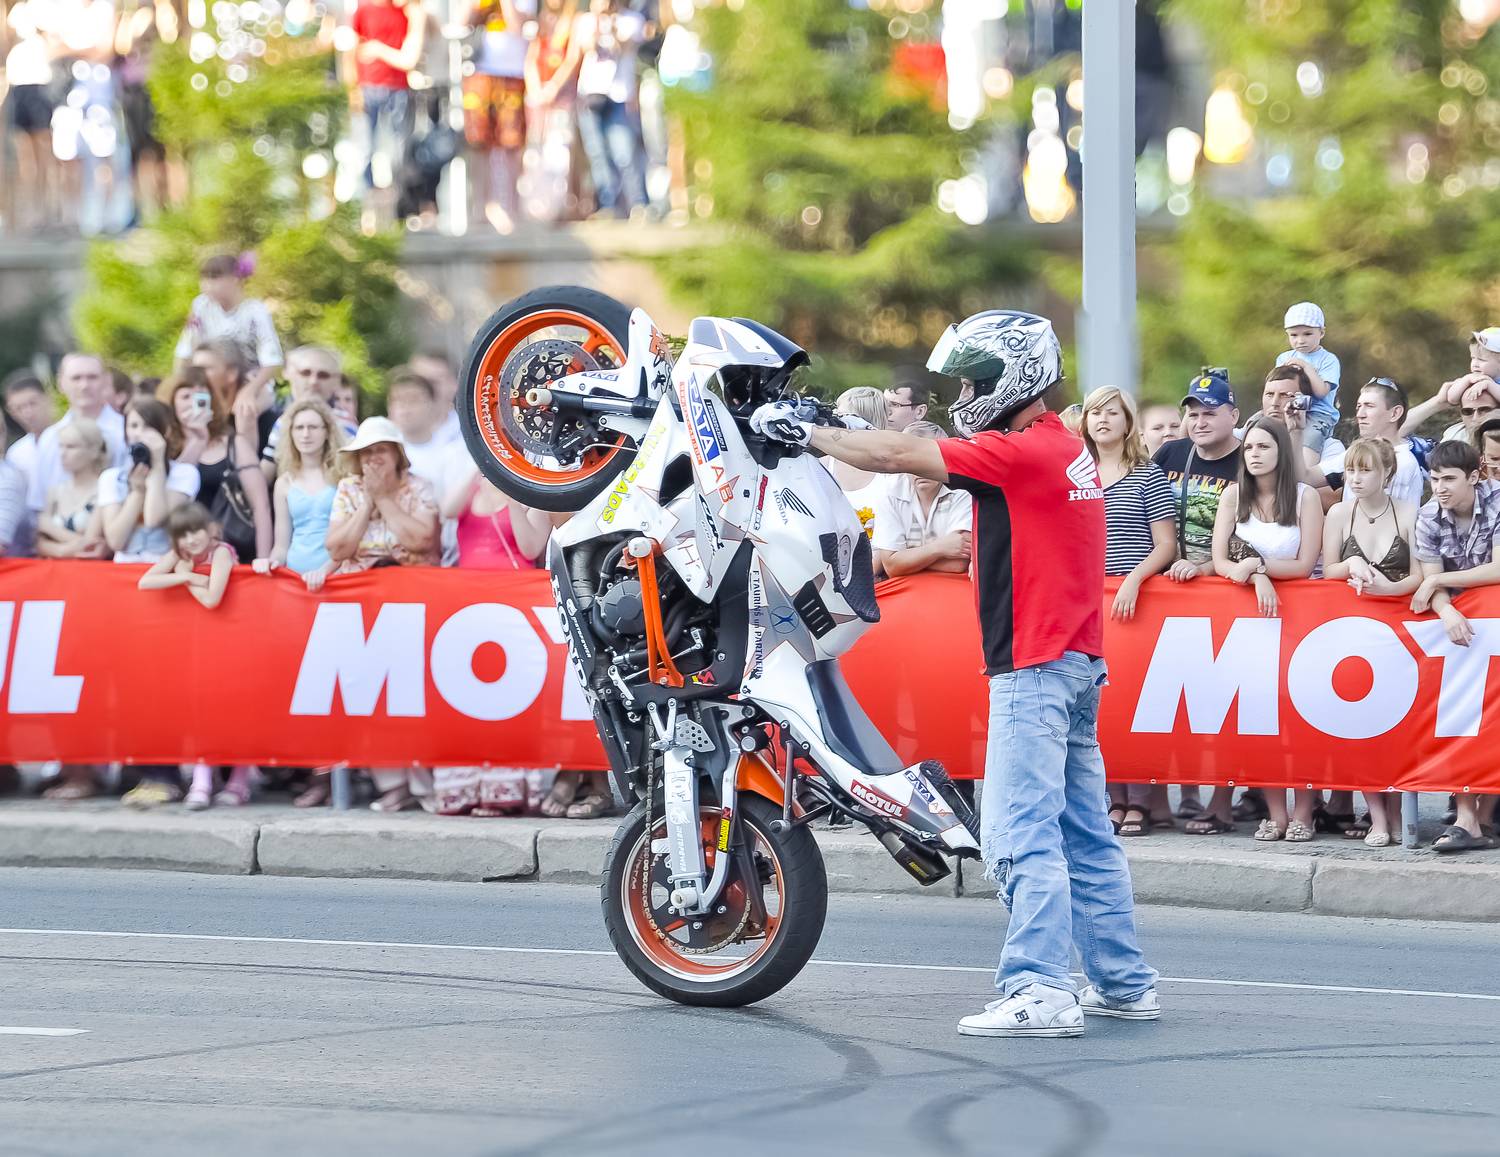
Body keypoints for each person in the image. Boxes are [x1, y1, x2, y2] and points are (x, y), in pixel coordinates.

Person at [753, 309, 1160, 1038]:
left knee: (1016, 832)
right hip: (1073, 663)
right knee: (1085, 835)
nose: (964, 396)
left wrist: (806, 432)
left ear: (1014, 378)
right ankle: (1122, 982)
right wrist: (833, 425)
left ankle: (1040, 986)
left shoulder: (1020, 452)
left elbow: (896, 455)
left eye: (974, 382)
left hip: (1035, 668)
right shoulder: (1062, 447)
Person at [1211, 417, 1324, 841]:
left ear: (1280, 451)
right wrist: (1255, 576)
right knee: (1260, 718)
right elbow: (1221, 562)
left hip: (1299, 619)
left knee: (1301, 719)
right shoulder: (1232, 495)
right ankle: (1276, 813)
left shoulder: (1306, 497)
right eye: (1249, 448)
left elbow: (1304, 564)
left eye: (1263, 447)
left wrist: (1258, 567)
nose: (1254, 454)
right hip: (1246, 620)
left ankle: (1305, 811)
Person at [326, 416, 439, 812]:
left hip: (412, 605)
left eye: (380, 451)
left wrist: (385, 499)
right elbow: (337, 548)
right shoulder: (348, 489)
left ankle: (423, 784)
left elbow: (421, 540)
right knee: (370, 694)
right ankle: (391, 784)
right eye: (366, 453)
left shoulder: (419, 487)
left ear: (396, 456)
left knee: (412, 695)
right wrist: (368, 503)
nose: (372, 459)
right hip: (361, 606)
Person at [1081, 386, 1177, 837]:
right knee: (1098, 703)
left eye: (1112, 413)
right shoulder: (1076, 475)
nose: (1103, 420)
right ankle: (1111, 798)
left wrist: (1133, 581)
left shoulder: (1147, 475)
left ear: (1127, 422)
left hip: (1134, 600)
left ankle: (1139, 800)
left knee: (1136, 700)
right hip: (1086, 602)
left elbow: (1165, 545)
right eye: (1095, 412)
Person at [1152, 372, 1243, 832]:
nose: (1199, 421)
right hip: (1168, 590)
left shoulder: (1249, 459)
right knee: (1162, 702)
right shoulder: (1170, 453)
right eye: (1192, 414)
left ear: (1234, 415)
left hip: (1223, 591)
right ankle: (1157, 800)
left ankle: (1221, 802)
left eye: (1209, 413)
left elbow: (1258, 531)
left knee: (1223, 705)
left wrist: (1206, 568)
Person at [1320, 437, 1421, 848]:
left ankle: (1396, 813)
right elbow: (1326, 569)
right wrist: (1352, 562)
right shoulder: (1339, 513)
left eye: (1365, 470)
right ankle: (1377, 815)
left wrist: (1388, 590)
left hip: (1398, 630)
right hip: (1352, 631)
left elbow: (1421, 574)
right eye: (1350, 470)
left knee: (1397, 729)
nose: (1356, 479)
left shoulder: (1409, 512)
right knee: (1360, 726)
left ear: (1386, 473)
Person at [1411, 440, 1500, 853]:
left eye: (1449, 479)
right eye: (1434, 479)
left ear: (1474, 477)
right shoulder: (1428, 516)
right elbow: (1431, 582)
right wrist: (1445, 608)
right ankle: (1468, 818)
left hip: (1494, 621)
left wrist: (1437, 581)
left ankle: (1482, 818)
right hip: (1462, 630)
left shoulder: (1498, 501)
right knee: (1459, 715)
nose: (1440, 488)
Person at [256, 398, 345, 592]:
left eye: (313, 427)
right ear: (291, 433)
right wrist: (269, 563)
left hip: (337, 578)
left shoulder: (342, 477)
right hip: (295, 580)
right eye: (299, 428)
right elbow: (281, 546)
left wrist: (325, 571)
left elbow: (350, 540)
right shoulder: (283, 483)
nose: (305, 434)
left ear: (327, 432)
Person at [349, 0, 424, 223]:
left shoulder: (406, 10)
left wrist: (378, 49)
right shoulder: (363, 9)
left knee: (399, 151)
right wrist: (353, 88)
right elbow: (352, 50)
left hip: (398, 88)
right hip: (369, 87)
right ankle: (366, 207)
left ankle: (399, 207)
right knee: (365, 148)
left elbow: (409, 56)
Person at [26, 353, 129, 515]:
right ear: (61, 383)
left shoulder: (126, 431)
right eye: (76, 378)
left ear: (106, 381)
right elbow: (40, 502)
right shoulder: (49, 438)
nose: (84, 385)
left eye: (92, 377)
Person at [462, 0, 532, 234]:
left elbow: (517, 25)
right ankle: (479, 208)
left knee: (511, 142)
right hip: (480, 74)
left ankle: (509, 207)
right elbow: (462, 23)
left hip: (511, 74)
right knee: (478, 143)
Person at [574, 0, 649, 218]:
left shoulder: (631, 20)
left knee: (623, 151)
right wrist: (598, 20)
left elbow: (624, 47)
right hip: (590, 94)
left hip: (619, 95)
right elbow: (587, 47)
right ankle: (607, 204)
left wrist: (613, 25)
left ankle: (637, 203)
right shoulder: (586, 21)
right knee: (597, 152)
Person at [869, 421, 972, 577]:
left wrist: (906, 556)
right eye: (911, 460)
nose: (921, 468)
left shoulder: (962, 490)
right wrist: (939, 548)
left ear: (944, 459)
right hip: (905, 585)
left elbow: (957, 564)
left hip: (952, 583)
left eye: (929, 459)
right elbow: (891, 566)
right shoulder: (890, 491)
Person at [174, 255, 284, 399]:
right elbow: (185, 350)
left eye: (214, 278)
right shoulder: (201, 306)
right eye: (204, 279)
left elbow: (272, 359)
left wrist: (249, 391)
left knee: (247, 407)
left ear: (235, 279)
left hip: (252, 381)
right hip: (209, 379)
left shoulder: (254, 311)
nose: (207, 285)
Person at [524, 0, 584, 223]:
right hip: (538, 98)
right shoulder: (541, 22)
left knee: (559, 152)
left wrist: (554, 87)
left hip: (562, 97)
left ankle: (557, 206)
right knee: (535, 152)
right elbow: (531, 58)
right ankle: (537, 206)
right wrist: (535, 88)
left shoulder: (573, 22)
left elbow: (572, 59)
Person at [260, 346, 357, 480]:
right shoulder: (281, 422)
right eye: (305, 373)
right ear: (288, 374)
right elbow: (266, 473)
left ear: (337, 381)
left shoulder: (347, 425)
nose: (313, 381)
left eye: (323, 375)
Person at [4, 1, 60, 232]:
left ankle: (48, 208)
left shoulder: (48, 8)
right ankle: (28, 210)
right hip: (19, 84)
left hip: (40, 83)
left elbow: (55, 41)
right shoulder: (17, 11)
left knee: (45, 153)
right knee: (25, 156)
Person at [1400, 327, 1500, 445]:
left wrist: (1488, 385)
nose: (1475, 364)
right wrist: (1466, 380)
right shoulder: (1470, 379)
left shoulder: (1493, 383)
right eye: (1473, 358)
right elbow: (1451, 398)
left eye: (1482, 360)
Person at [1276, 301, 1340, 468]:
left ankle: (1304, 473)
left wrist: (1306, 367)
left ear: (1321, 332)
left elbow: (1321, 392)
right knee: (1261, 425)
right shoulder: (1284, 358)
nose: (1300, 340)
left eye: (1307, 334)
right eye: (1294, 335)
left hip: (1318, 413)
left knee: (1310, 437)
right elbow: (1277, 388)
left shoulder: (1328, 360)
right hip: (1288, 409)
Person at [36, 418, 109, 561]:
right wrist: (62, 550)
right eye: (61, 446)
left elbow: (91, 544)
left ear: (94, 451)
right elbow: (39, 543)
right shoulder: (55, 492)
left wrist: (51, 528)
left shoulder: (104, 489)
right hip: (55, 570)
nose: (62, 453)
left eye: (71, 447)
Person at [829, 387, 890, 542]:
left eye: (843, 417)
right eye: (836, 415)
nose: (836, 423)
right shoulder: (820, 466)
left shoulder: (893, 474)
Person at [3, 371, 58, 485]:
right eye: (19, 408)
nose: (27, 412)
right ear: (11, 412)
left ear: (48, 398)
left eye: (32, 403)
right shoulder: (16, 453)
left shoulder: (70, 439)